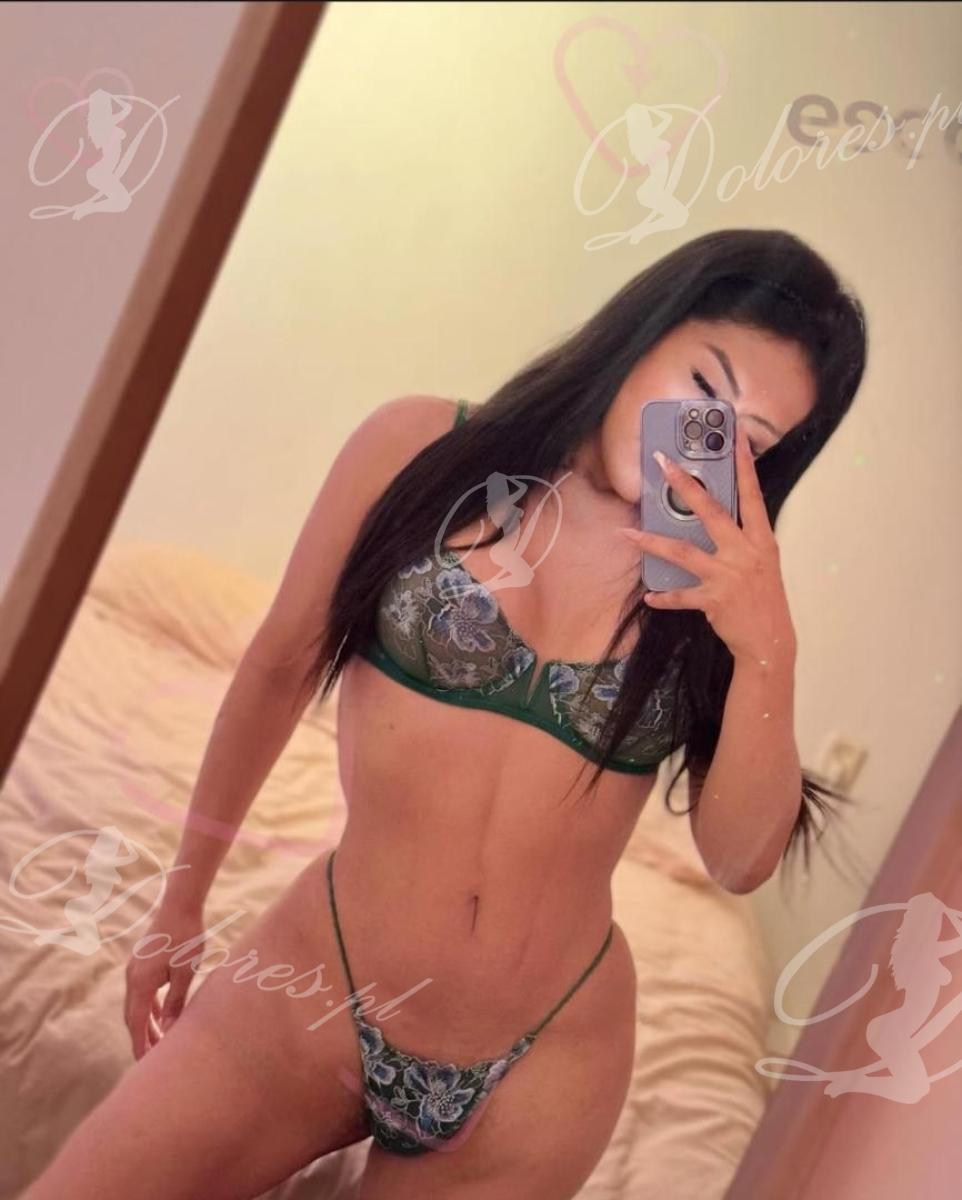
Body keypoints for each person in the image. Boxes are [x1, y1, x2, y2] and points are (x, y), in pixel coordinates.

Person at [22, 228, 866, 1199]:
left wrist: (766, 648)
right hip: (316, 983)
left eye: (749, 440)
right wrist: (181, 901)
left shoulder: (718, 592)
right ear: (641, 334)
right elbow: (277, 667)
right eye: (703, 387)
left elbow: (737, 861)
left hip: (547, 1063)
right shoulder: (421, 449)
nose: (704, 439)